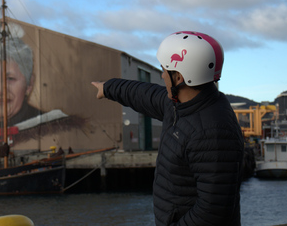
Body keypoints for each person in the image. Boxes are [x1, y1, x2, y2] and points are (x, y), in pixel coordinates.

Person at [92, 31, 244, 226]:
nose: (162, 75)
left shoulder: (213, 132)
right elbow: (144, 94)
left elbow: (212, 212)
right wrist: (108, 88)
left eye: (164, 70)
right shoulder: (181, 103)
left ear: (179, 77)